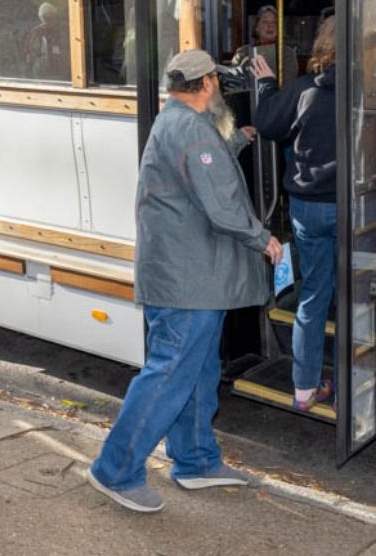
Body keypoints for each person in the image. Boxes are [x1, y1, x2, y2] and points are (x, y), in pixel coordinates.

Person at [87, 49, 282, 513]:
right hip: (187, 281)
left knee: (196, 372)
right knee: (170, 375)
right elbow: (221, 205)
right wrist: (264, 240)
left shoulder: (175, 121)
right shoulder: (194, 131)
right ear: (210, 83)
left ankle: (195, 461)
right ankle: (114, 470)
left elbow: (197, 168)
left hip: (190, 278)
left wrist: (236, 142)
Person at [251, 19, 338, 411]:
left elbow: (268, 123)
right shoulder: (366, 90)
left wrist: (268, 84)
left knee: (314, 295)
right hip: (353, 206)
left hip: (307, 207)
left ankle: (304, 388)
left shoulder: (304, 90)